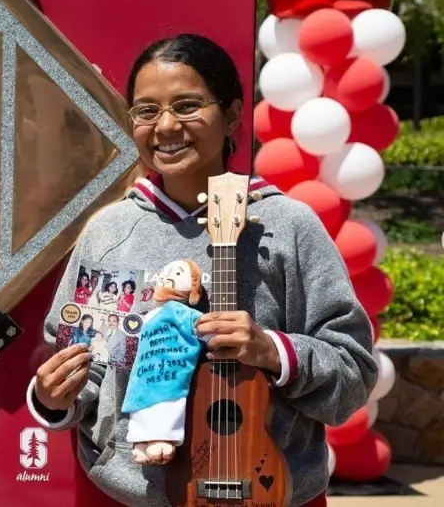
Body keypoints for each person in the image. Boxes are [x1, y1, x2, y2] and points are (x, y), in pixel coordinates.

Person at [25, 33, 377, 507]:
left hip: (265, 490)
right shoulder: (107, 233)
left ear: (231, 116)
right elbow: (84, 368)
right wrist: (55, 396)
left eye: (188, 106)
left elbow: (352, 374)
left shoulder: (286, 226)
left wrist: (273, 351)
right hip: (126, 496)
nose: (165, 126)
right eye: (146, 111)